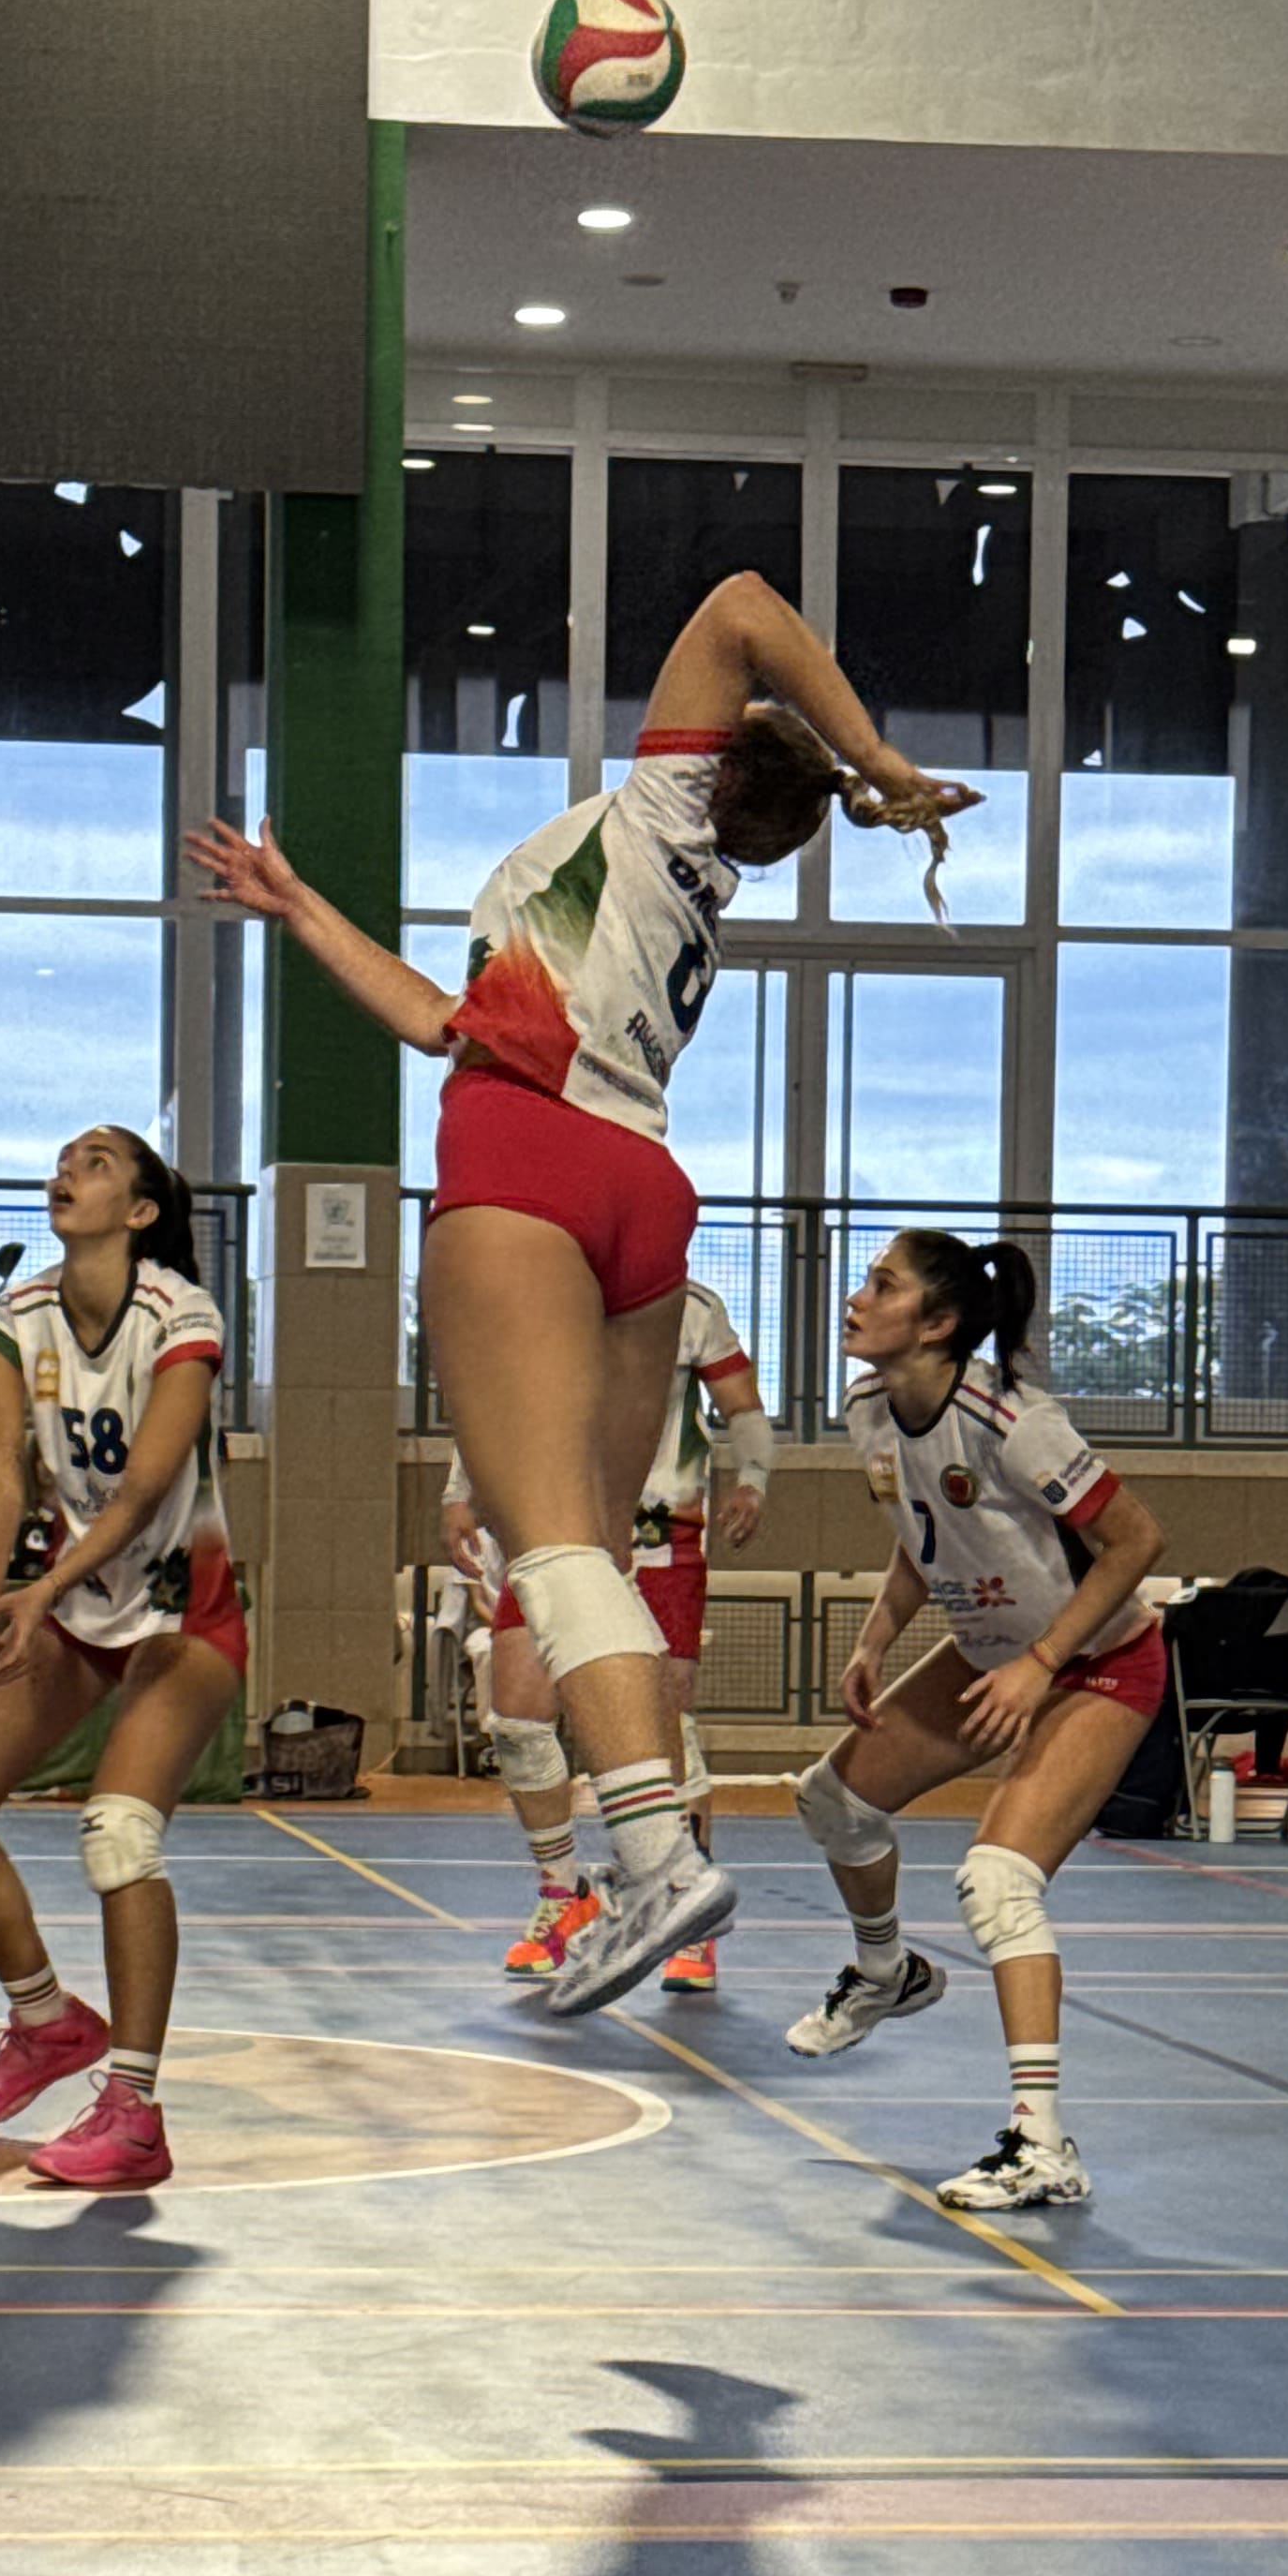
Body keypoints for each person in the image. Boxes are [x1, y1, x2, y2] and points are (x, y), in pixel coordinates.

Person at [186, 572, 976, 2018]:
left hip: (528, 1155)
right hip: (638, 1183)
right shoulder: (676, 883)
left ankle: (658, 1871)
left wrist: (876, 762)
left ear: (712, 763)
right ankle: (650, 1863)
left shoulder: (663, 809)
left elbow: (741, 606)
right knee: (591, 1562)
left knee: (546, 1552)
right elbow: (441, 1019)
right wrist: (298, 908)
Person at [783, 1232, 1165, 2214]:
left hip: (1098, 1662)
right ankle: (886, 1973)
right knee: (832, 1801)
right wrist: (874, 1640)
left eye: (883, 1285)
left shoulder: (1014, 1420)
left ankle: (1042, 2148)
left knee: (997, 1881)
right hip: (994, 1654)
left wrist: (1042, 1665)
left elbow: (1136, 1541)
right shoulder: (869, 1410)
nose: (858, 1298)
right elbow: (926, 1540)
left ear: (939, 1324)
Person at [0, 1126, 241, 2196]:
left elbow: (143, 1491)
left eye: (95, 1162)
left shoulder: (180, 1314)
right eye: (63, 1159)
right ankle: (45, 2019)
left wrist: (39, 1590)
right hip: (74, 1604)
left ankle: (134, 2112)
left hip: (183, 1612)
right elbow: (1, 1471)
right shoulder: (16, 1315)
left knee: (119, 1834)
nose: (66, 1172)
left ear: (140, 1211)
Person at [462, 1279, 772, 1996]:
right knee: (517, 1723)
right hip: (551, 1521)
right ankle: (562, 1895)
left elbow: (744, 1408)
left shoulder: (691, 1308)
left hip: (659, 1533)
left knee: (666, 1720)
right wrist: (459, 1491)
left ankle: (687, 1910)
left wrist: (754, 1478)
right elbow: (494, 1398)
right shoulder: (540, 1285)